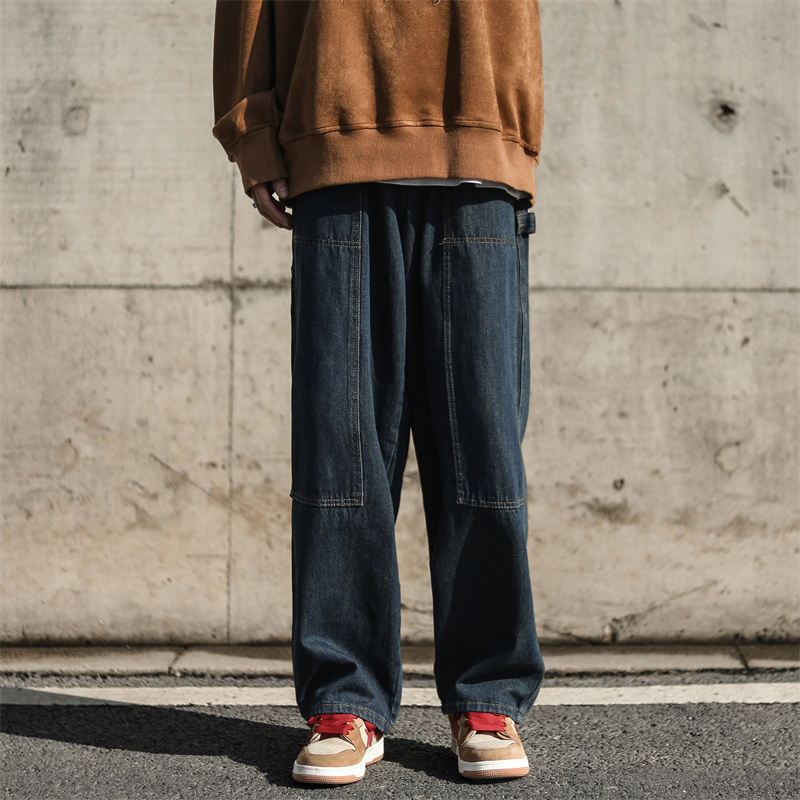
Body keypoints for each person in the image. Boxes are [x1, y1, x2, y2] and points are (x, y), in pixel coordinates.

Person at [213, 0, 545, 785]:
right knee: (342, 449)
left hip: (477, 140)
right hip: (335, 146)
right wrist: (255, 132)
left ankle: (487, 697)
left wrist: (513, 137)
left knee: (483, 450)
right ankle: (345, 700)